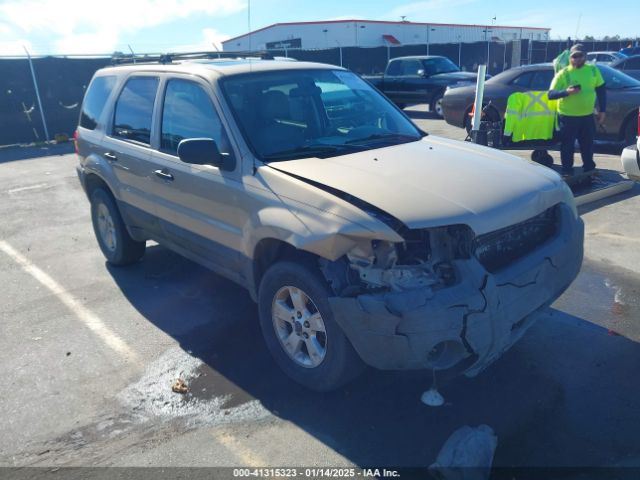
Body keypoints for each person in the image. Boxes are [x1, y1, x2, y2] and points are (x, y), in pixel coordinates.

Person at [548, 43, 606, 177]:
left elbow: (601, 89)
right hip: (568, 117)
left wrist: (602, 110)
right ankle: (567, 171)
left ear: (585, 57)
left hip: (587, 116)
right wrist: (566, 92)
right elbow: (550, 95)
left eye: (580, 56)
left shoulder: (592, 70)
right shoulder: (564, 74)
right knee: (567, 146)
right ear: (570, 58)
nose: (577, 59)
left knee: (587, 145)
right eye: (574, 56)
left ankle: (589, 169)